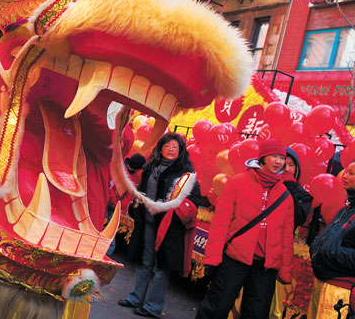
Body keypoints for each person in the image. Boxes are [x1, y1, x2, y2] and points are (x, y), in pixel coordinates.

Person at [196, 139, 294, 319]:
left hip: (265, 267)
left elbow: (286, 237)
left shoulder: (285, 195)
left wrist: (285, 270)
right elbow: (221, 222)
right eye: (274, 156)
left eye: (282, 158)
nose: (279, 161)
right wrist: (213, 255)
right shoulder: (238, 182)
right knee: (216, 308)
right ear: (263, 157)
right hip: (234, 259)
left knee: (256, 314)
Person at [118, 132, 200, 318]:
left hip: (168, 227)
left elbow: (193, 198)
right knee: (144, 261)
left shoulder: (186, 172)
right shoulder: (151, 166)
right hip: (147, 222)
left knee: (161, 266)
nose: (171, 150)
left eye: (175, 147)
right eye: (168, 146)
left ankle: (153, 307)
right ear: (160, 148)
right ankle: (135, 298)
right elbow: (142, 189)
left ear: (180, 151)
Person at [307, 161, 355, 318]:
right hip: (324, 281)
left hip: (342, 288)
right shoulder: (346, 208)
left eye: (351, 173)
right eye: (346, 172)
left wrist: (331, 252)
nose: (345, 176)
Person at [284, 147, 313, 229]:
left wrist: (290, 187)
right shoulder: (267, 185)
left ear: (296, 168)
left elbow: (298, 219)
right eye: (283, 164)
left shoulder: (303, 194)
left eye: (291, 165)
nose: (286, 169)